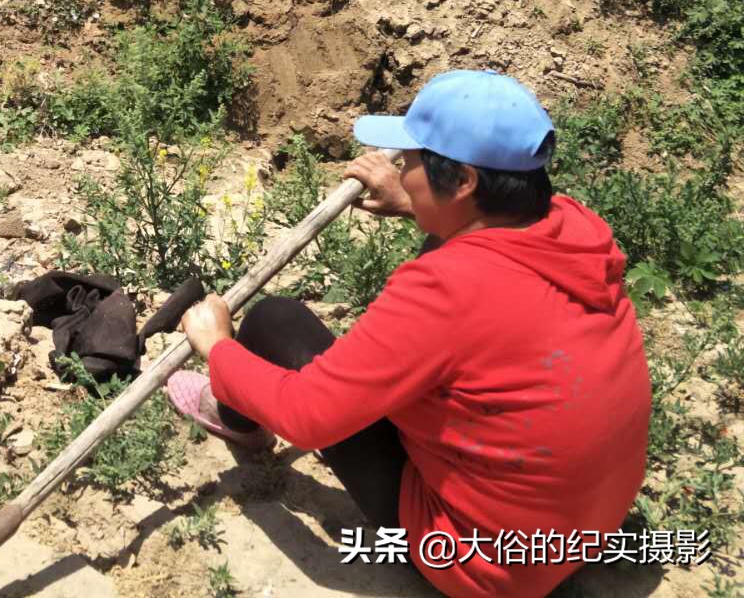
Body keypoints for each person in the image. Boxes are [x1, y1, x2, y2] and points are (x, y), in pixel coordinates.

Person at [168, 70, 651, 598]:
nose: (402, 167)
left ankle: (237, 419)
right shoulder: (575, 228)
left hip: (486, 566)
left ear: (464, 182)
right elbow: (485, 255)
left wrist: (217, 347)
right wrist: (413, 201)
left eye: (412, 162)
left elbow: (307, 416)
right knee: (441, 252)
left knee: (274, 322)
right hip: (581, 528)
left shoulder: (448, 291)